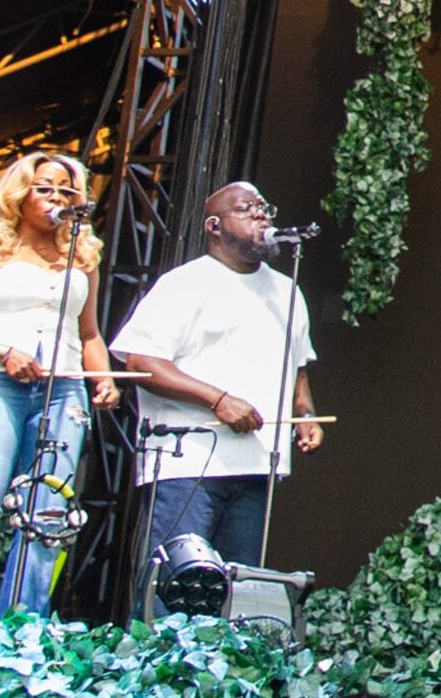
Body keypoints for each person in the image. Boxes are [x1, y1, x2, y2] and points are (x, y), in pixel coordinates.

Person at [0, 148, 123, 617]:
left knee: (48, 516)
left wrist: (105, 377)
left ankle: (19, 630)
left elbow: (88, 331)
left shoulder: (83, 256)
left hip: (63, 388)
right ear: (21, 193)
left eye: (67, 189)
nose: (57, 197)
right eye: (46, 187)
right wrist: (2, 351)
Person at [109, 181, 321, 594]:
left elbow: (297, 364)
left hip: (257, 464)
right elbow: (140, 362)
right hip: (188, 462)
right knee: (176, 588)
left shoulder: (287, 290)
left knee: (234, 593)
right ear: (214, 226)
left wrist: (305, 414)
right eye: (246, 209)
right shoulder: (184, 284)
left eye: (264, 207)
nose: (262, 215)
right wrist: (218, 399)